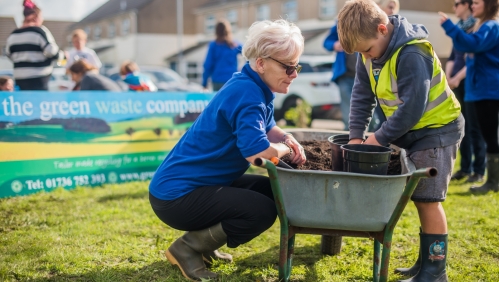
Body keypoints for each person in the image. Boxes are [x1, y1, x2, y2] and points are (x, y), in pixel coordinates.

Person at [148, 19, 307, 281]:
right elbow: (258, 154)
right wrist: (286, 150)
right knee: (261, 211)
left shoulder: (252, 85)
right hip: (176, 198)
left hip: (196, 186)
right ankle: (187, 248)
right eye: (288, 67)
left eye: (296, 66)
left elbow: (268, 129)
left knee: (274, 192)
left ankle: (204, 245)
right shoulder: (247, 93)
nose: (294, 74)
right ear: (261, 63)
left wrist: (288, 138)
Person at [337, 1, 464, 281]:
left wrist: (378, 137)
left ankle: (435, 271)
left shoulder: (412, 53)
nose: (366, 56)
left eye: (367, 50)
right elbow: (361, 95)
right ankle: (426, 264)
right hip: (414, 132)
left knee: (428, 199)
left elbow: (412, 108)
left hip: (437, 130)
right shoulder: (369, 50)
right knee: (420, 198)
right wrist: (357, 136)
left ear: (383, 29)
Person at [440, 0, 499, 194]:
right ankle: (491, 180)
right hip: (478, 91)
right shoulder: (481, 25)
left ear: (489, 4)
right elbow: (462, 47)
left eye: (476, 2)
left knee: (490, 136)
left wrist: (449, 26)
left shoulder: (491, 26)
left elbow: (472, 44)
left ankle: (493, 181)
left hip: (489, 91)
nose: (472, 6)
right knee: (485, 135)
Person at [323, 0, 399, 131]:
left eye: (393, 8)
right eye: (389, 7)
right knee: (351, 114)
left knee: (374, 119)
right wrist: (335, 45)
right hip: (346, 75)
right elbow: (327, 42)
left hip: (371, 75)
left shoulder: (376, 27)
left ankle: (370, 141)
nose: (363, 55)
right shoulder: (344, 20)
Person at [5, 0, 64, 90]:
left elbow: (8, 54)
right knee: (39, 102)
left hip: (20, 78)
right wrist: (63, 55)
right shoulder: (39, 31)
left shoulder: (13, 34)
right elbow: (51, 51)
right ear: (36, 17)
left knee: (25, 102)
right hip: (39, 78)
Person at [202, 19, 243, 91]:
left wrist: (204, 83)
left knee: (219, 102)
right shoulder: (234, 45)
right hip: (232, 79)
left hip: (217, 81)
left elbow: (207, 65)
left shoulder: (213, 45)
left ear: (216, 31)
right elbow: (249, 52)